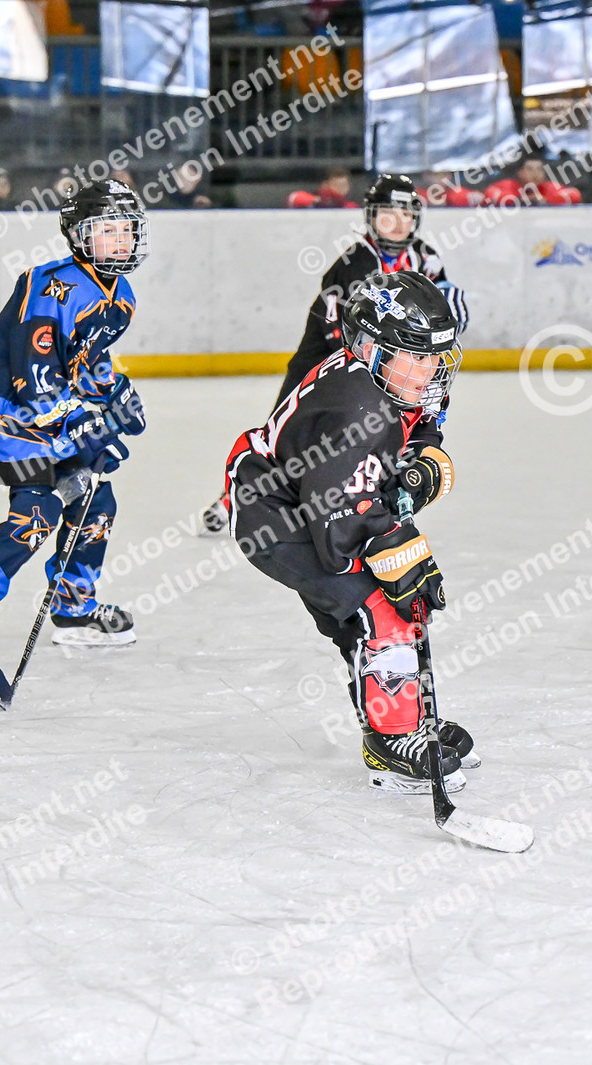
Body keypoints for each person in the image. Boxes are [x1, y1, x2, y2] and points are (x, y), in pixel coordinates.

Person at [224, 272, 475, 793]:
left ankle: (402, 718)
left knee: (375, 613)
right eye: (415, 357)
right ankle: (391, 742)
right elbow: (340, 521)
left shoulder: (389, 380)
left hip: (312, 497)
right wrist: (398, 553)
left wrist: (420, 462)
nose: (429, 371)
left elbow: (421, 425)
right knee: (380, 611)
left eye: (434, 358)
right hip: (277, 515)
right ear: (371, 349)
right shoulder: (357, 409)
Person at [0, 180, 150, 670]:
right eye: (107, 230)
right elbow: (35, 380)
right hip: (6, 416)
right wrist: (88, 425)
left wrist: (116, 393)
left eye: (126, 230)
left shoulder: (122, 297)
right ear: (78, 236)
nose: (120, 240)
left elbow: (85, 361)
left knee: (96, 503)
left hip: (57, 415)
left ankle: (74, 609)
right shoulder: (47, 285)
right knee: (37, 513)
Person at [198, 174, 468, 534]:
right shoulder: (355, 262)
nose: (398, 222)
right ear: (371, 217)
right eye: (388, 213)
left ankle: (364, 490)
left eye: (406, 214)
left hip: (383, 365)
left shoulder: (426, 258)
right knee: (289, 440)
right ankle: (234, 499)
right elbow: (335, 329)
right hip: (321, 365)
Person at [483, 157, 582, 206]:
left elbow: (575, 194)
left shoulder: (549, 187)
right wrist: (521, 200)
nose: (535, 174)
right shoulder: (509, 185)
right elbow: (490, 194)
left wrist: (546, 200)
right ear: (521, 172)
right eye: (530, 169)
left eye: (539, 169)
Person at [288, 167, 356, 208]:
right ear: (325, 185)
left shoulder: (351, 207)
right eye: (336, 185)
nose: (340, 189)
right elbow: (293, 198)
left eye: (344, 185)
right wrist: (316, 200)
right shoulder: (314, 202)